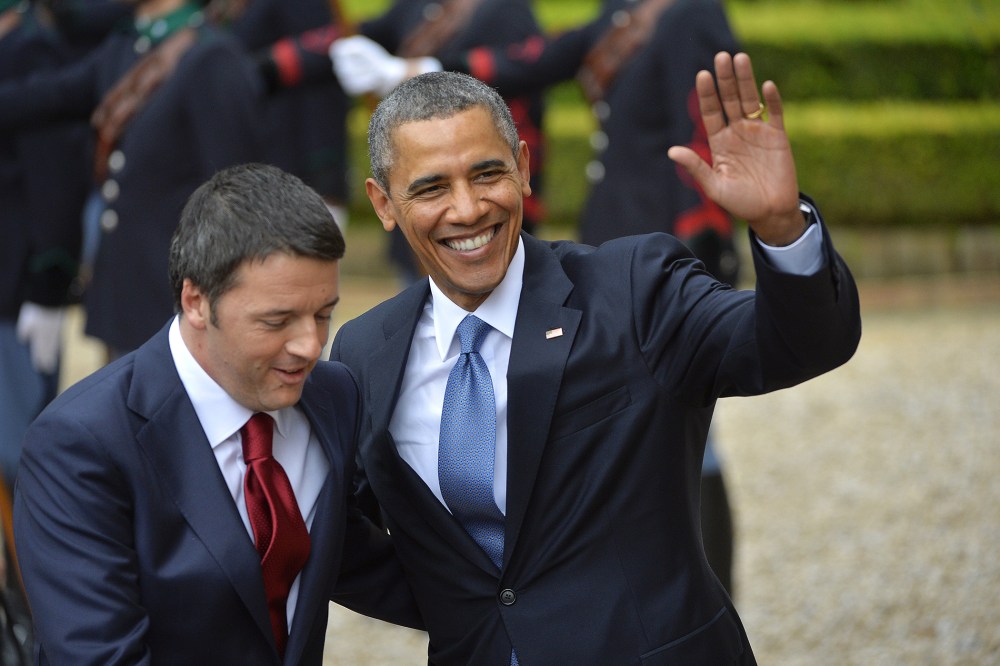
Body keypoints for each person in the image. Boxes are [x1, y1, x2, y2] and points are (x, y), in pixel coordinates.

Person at [329, 56, 861, 663]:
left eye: (486, 174)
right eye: (430, 188)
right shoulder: (365, 350)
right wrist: (454, 606)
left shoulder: (632, 289)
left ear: (524, 169)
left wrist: (781, 229)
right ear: (383, 203)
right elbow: (336, 532)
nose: (468, 208)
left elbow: (796, 344)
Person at [330, 0, 746, 594]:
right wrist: (415, 68)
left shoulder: (688, 13)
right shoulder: (620, 13)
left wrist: (705, 249)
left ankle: (707, 588)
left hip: (670, 242)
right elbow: (531, 63)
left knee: (695, 440)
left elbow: (701, 132)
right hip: (616, 228)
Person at [13, 163, 422, 664]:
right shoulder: (80, 444)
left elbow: (342, 553)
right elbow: (99, 655)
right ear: (197, 301)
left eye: (323, 313)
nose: (311, 345)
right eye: (277, 321)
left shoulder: (333, 395)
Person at [0, 0, 267, 359]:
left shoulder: (213, 59)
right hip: (125, 296)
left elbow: (236, 200)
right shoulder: (126, 45)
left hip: (178, 303)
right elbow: (47, 96)